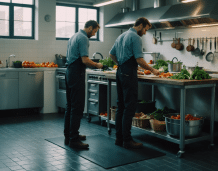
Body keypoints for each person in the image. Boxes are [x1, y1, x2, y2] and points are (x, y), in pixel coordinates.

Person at [109, 17, 160, 149]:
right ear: (141, 25)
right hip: (128, 74)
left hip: (120, 72)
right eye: (145, 29)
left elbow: (111, 54)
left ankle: (119, 138)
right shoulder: (136, 37)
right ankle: (127, 140)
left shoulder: (122, 36)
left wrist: (122, 65)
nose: (145, 33)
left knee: (121, 107)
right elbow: (139, 60)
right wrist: (153, 69)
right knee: (129, 107)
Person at [64, 20, 103, 149]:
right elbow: (85, 60)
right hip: (76, 74)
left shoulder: (74, 36)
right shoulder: (83, 38)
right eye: (95, 31)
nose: (94, 34)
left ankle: (69, 135)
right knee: (77, 107)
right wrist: (98, 65)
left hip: (69, 72)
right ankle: (74, 140)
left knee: (70, 106)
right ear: (90, 28)